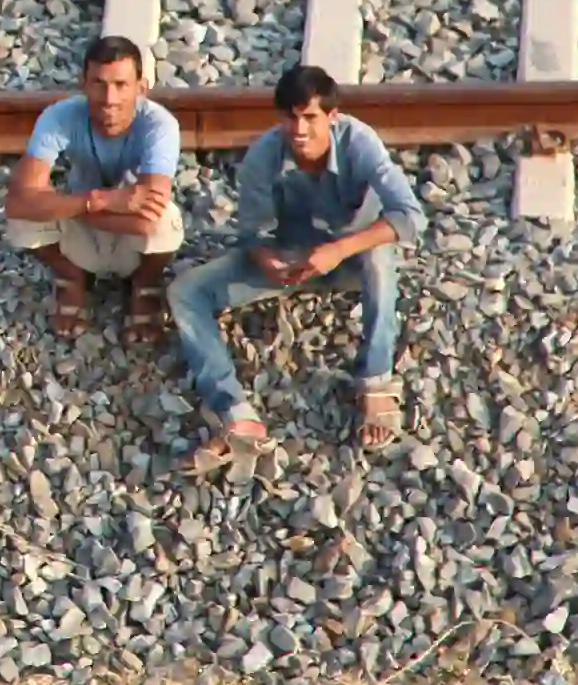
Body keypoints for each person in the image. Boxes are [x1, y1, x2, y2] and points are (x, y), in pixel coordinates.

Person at [170, 63, 430, 468]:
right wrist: (266, 259)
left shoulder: (360, 142)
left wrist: (340, 249)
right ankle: (237, 415)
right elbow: (252, 233)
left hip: (348, 259)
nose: (300, 129)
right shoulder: (263, 156)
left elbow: (410, 217)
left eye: (310, 117)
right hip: (290, 261)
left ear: (332, 117)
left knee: (379, 257)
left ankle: (375, 382)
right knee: (185, 291)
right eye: (290, 117)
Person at [5, 35, 185, 343]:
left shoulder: (159, 125)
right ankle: (71, 274)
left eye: (121, 85)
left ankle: (145, 281)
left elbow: (147, 217)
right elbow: (18, 204)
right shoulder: (60, 116)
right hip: (87, 226)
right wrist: (98, 200)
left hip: (130, 236)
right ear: (83, 84)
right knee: (21, 221)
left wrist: (69, 207)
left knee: (164, 220)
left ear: (141, 87)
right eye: (99, 83)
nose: (109, 98)